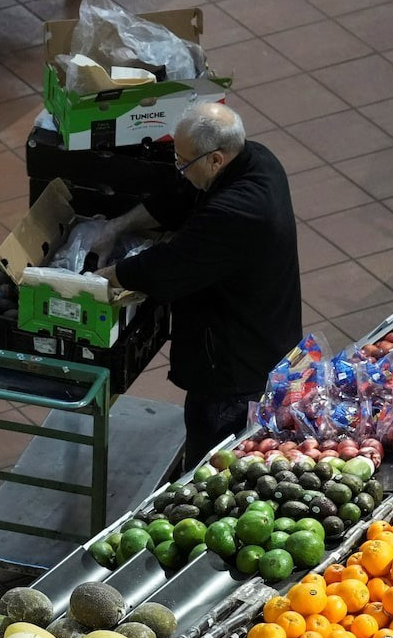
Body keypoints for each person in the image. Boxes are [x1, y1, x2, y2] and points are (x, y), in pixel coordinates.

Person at [94, 101, 302, 467]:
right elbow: (181, 196)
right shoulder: (255, 158)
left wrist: (103, 278)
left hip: (235, 369)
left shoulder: (237, 211)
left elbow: (170, 267)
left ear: (216, 159)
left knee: (212, 467)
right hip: (263, 337)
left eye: (183, 162)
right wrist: (117, 227)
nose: (178, 169)